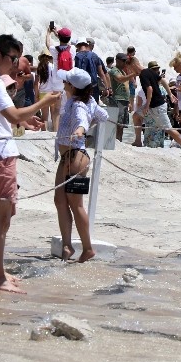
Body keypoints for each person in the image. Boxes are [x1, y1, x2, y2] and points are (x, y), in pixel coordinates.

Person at [0, 34, 59, 292]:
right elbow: (13, 114)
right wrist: (44, 102)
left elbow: (0, 116)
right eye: (12, 58)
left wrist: (24, 120)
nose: (15, 64)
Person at [54, 68, 108, 263]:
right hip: (69, 157)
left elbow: (81, 120)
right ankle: (67, 245)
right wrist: (89, 123)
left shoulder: (78, 105)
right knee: (60, 201)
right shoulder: (89, 101)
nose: (63, 84)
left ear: (72, 86)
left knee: (76, 205)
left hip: (76, 157)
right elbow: (103, 115)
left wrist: (81, 129)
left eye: (66, 82)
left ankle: (88, 248)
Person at [140, 60, 181, 151]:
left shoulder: (154, 82)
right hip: (153, 108)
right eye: (155, 69)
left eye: (157, 69)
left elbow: (153, 89)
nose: (157, 71)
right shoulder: (150, 82)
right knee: (161, 129)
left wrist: (170, 95)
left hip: (156, 107)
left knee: (166, 129)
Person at [107, 53, 135, 141]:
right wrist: (133, 74)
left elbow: (126, 86)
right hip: (117, 99)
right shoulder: (114, 70)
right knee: (117, 122)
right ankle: (115, 140)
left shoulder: (123, 72)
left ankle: (119, 140)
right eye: (124, 61)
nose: (125, 63)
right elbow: (120, 79)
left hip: (124, 100)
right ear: (118, 61)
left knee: (122, 124)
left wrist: (129, 101)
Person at [75, 38, 109, 102]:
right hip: (93, 87)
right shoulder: (94, 56)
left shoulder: (77, 56)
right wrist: (106, 88)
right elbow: (101, 73)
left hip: (81, 88)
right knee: (94, 105)